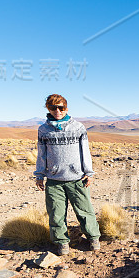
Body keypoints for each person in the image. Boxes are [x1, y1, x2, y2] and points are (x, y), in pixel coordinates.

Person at [34, 94, 101, 255]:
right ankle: (62, 243)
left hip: (77, 179)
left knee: (85, 211)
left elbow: (85, 151)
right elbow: (41, 154)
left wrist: (89, 173)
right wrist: (39, 174)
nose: (57, 111)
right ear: (48, 109)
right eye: (53, 108)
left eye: (61, 108)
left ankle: (93, 239)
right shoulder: (43, 130)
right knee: (56, 214)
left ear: (66, 108)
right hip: (54, 180)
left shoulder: (78, 127)